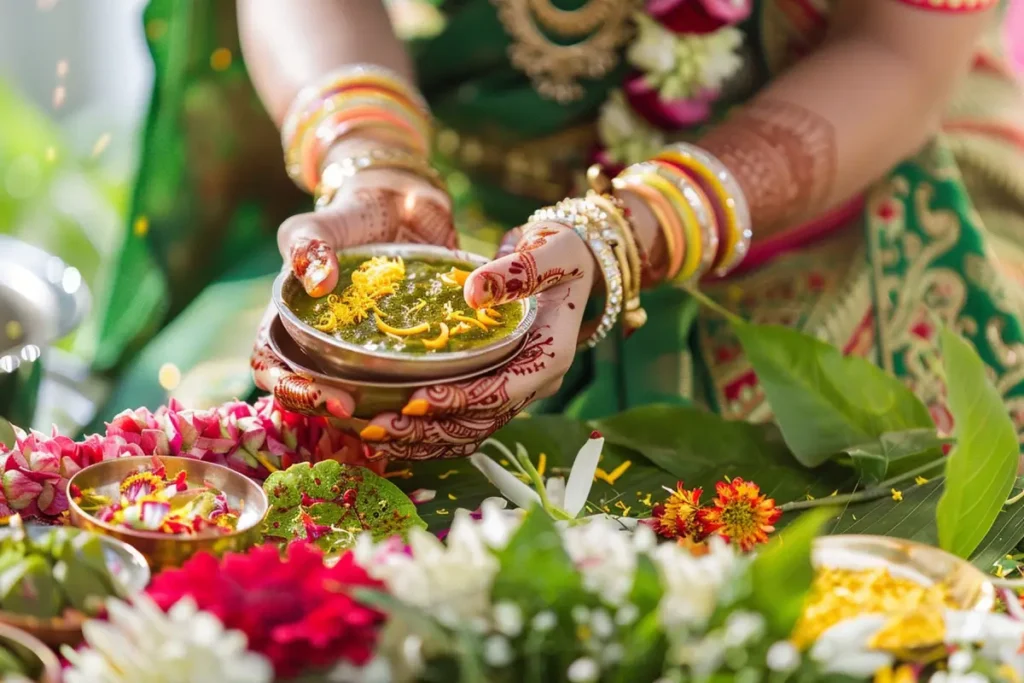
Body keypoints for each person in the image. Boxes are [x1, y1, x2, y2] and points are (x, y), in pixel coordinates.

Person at [94, 0, 1024, 461]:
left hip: (820, 182)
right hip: (449, 181)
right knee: (223, 445)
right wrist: (369, 158)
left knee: (829, 520)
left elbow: (898, 52)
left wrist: (631, 232)